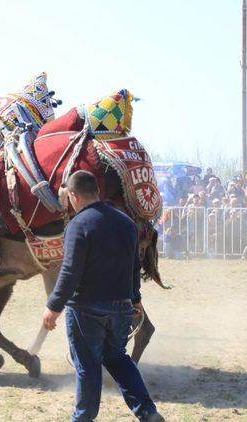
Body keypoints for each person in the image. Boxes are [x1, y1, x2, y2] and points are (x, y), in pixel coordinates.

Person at [41, 170, 163, 422]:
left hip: (86, 307)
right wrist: (136, 299)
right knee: (118, 358)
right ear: (96, 192)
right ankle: (148, 412)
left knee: (87, 365)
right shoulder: (126, 223)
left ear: (74, 196)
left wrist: (53, 306)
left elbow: (71, 270)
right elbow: (133, 266)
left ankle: (82, 418)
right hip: (121, 306)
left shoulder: (78, 224)